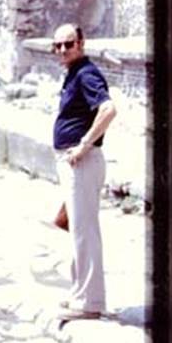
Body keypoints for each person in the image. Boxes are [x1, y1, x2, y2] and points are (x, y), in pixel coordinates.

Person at [51, 23, 117, 321]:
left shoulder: (87, 74)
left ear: (81, 43)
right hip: (72, 162)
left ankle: (90, 303)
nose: (63, 50)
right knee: (76, 228)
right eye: (58, 46)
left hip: (82, 161)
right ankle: (80, 293)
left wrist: (83, 146)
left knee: (84, 231)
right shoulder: (74, 74)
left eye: (69, 44)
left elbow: (108, 109)